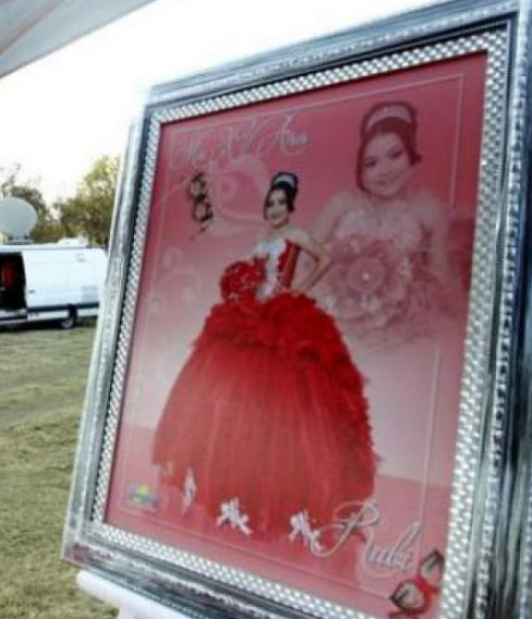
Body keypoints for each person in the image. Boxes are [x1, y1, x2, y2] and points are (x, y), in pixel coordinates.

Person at [151, 172, 377, 539]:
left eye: (280, 203)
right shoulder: (263, 238)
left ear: (290, 206)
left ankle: (285, 492)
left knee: (289, 400)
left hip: (282, 317)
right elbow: (252, 276)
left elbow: (325, 258)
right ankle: (228, 478)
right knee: (232, 398)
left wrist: (297, 291)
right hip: (250, 317)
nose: (274, 209)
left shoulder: (295, 235)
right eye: (270, 203)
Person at [312, 101, 453, 347]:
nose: (384, 170)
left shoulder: (428, 212)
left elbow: (440, 278)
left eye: (395, 155)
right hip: (335, 318)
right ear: (361, 170)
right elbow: (306, 258)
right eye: (372, 163)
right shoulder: (342, 204)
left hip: (396, 327)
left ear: (411, 153)